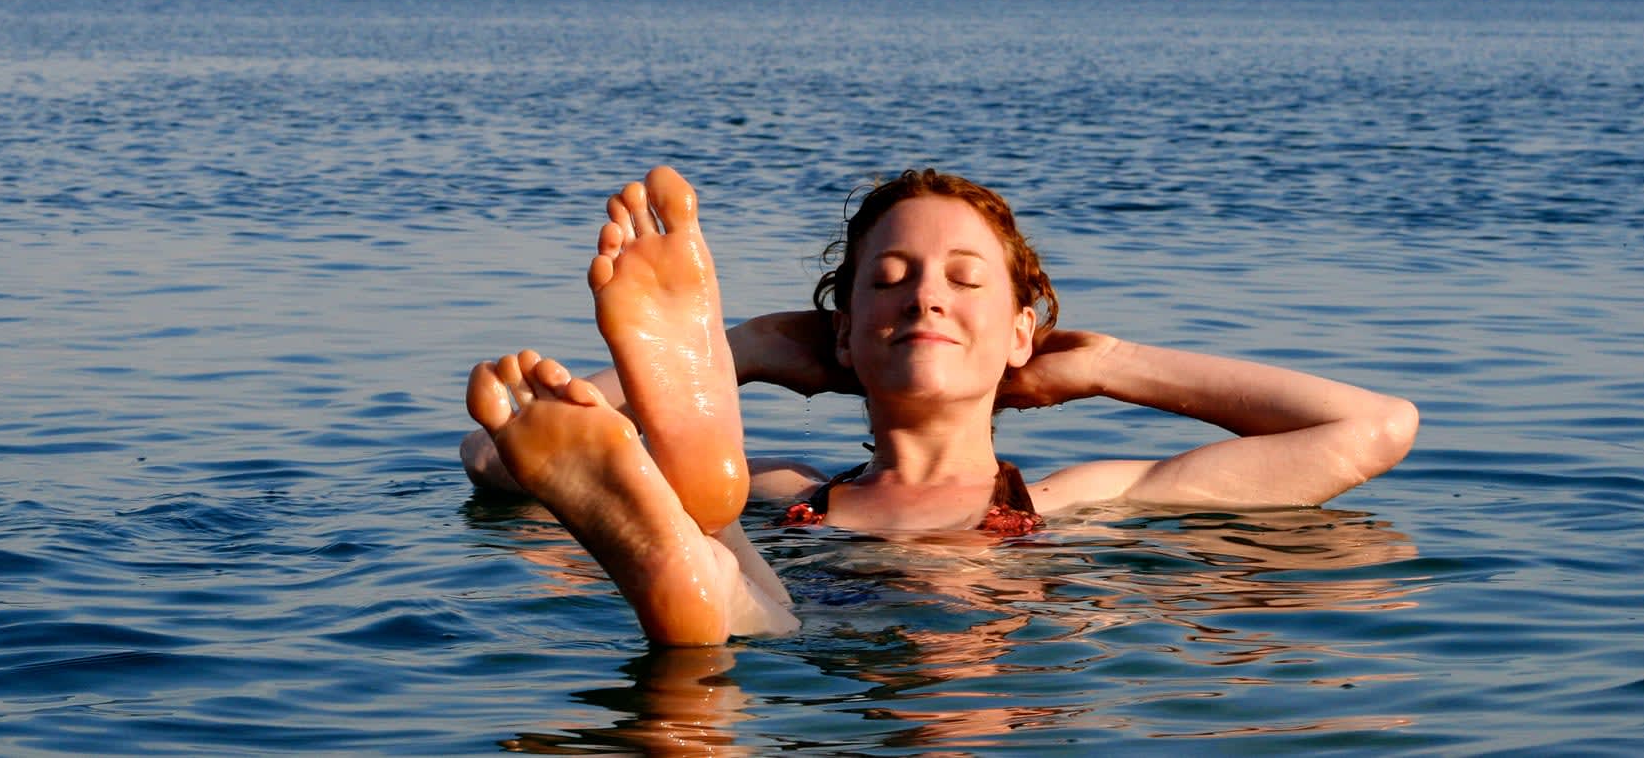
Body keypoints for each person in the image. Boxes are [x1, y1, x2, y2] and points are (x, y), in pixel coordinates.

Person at [461, 166, 1418, 646]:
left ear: (1018, 338)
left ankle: (685, 544)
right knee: (721, 560)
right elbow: (498, 462)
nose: (924, 296)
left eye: (964, 282)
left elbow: (1377, 427)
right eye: (890, 279)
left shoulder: (1083, 494)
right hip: (807, 599)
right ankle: (688, 530)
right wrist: (737, 352)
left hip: (822, 625)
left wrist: (1105, 363)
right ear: (840, 341)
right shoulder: (786, 487)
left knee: (723, 605)